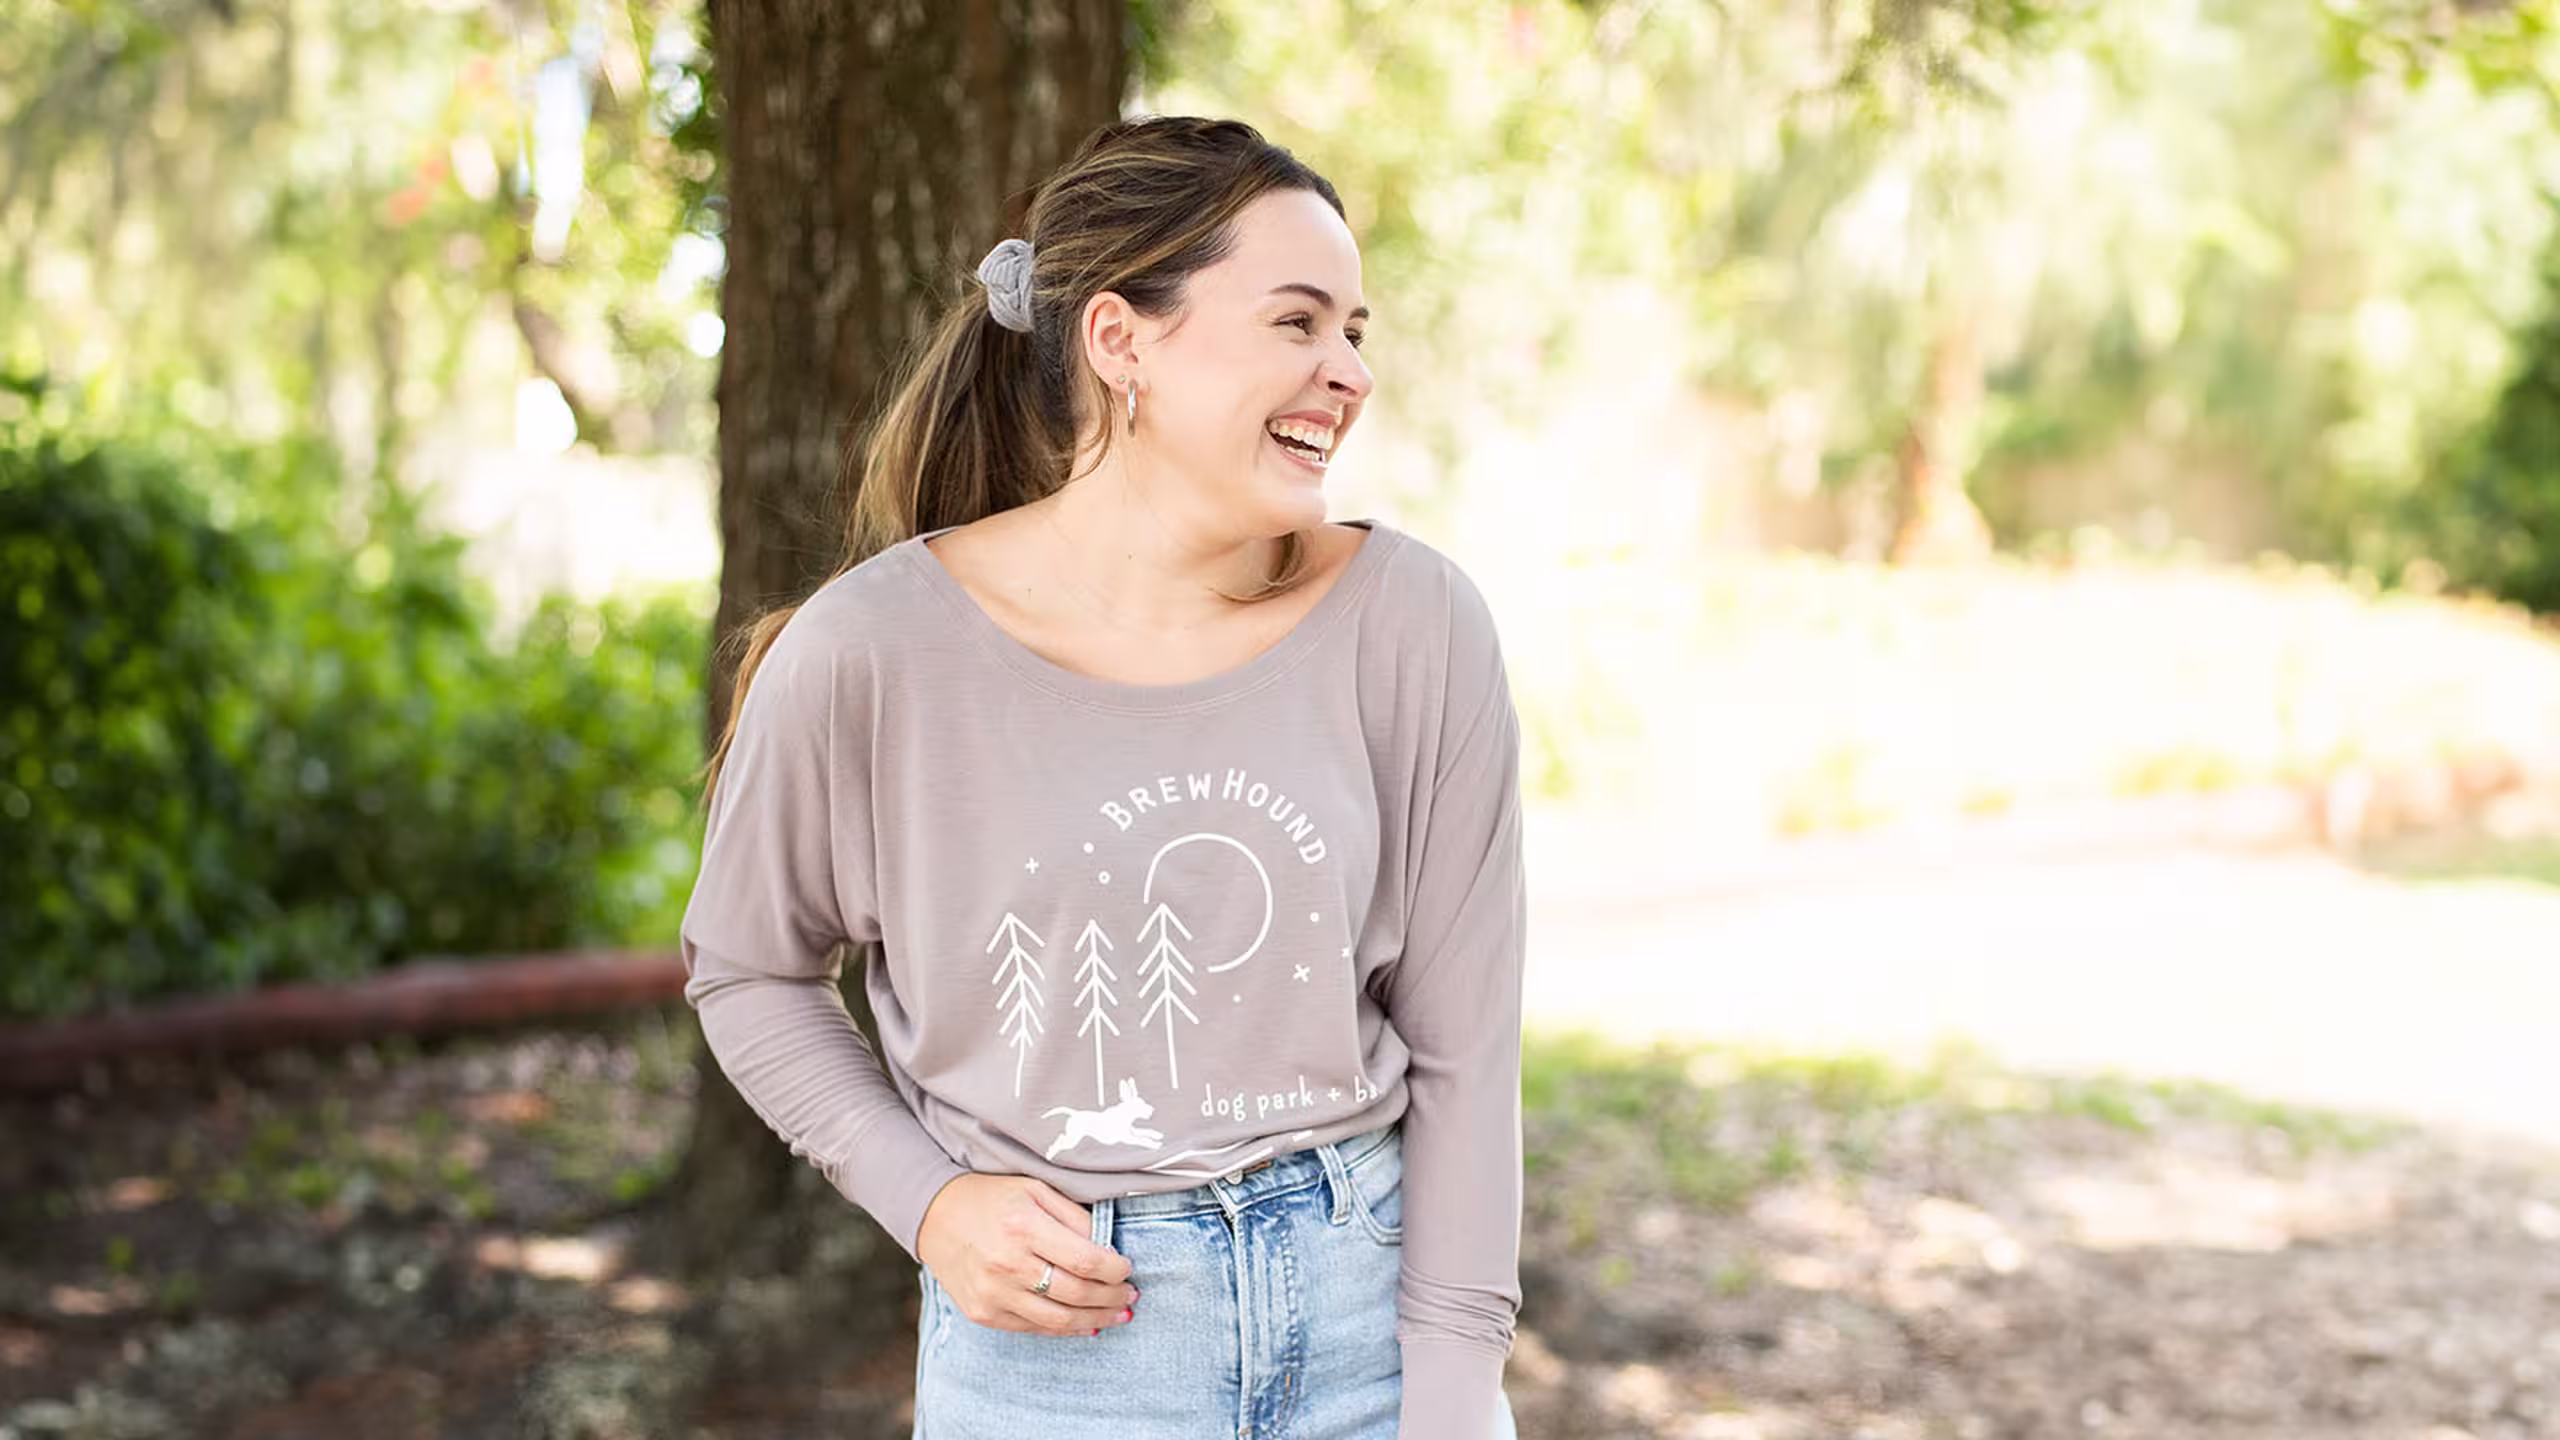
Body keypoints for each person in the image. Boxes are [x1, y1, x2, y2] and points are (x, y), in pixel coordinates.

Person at [677, 114, 1526, 1440]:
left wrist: (1458, 1393)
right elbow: (748, 972)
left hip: (1370, 1334)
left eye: (1356, 331)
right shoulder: (871, 653)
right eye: (1297, 322)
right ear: (1121, 341)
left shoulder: (1414, 624)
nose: (1350, 372)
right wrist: (929, 1203)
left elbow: (1467, 1051)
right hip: (1060, 1364)